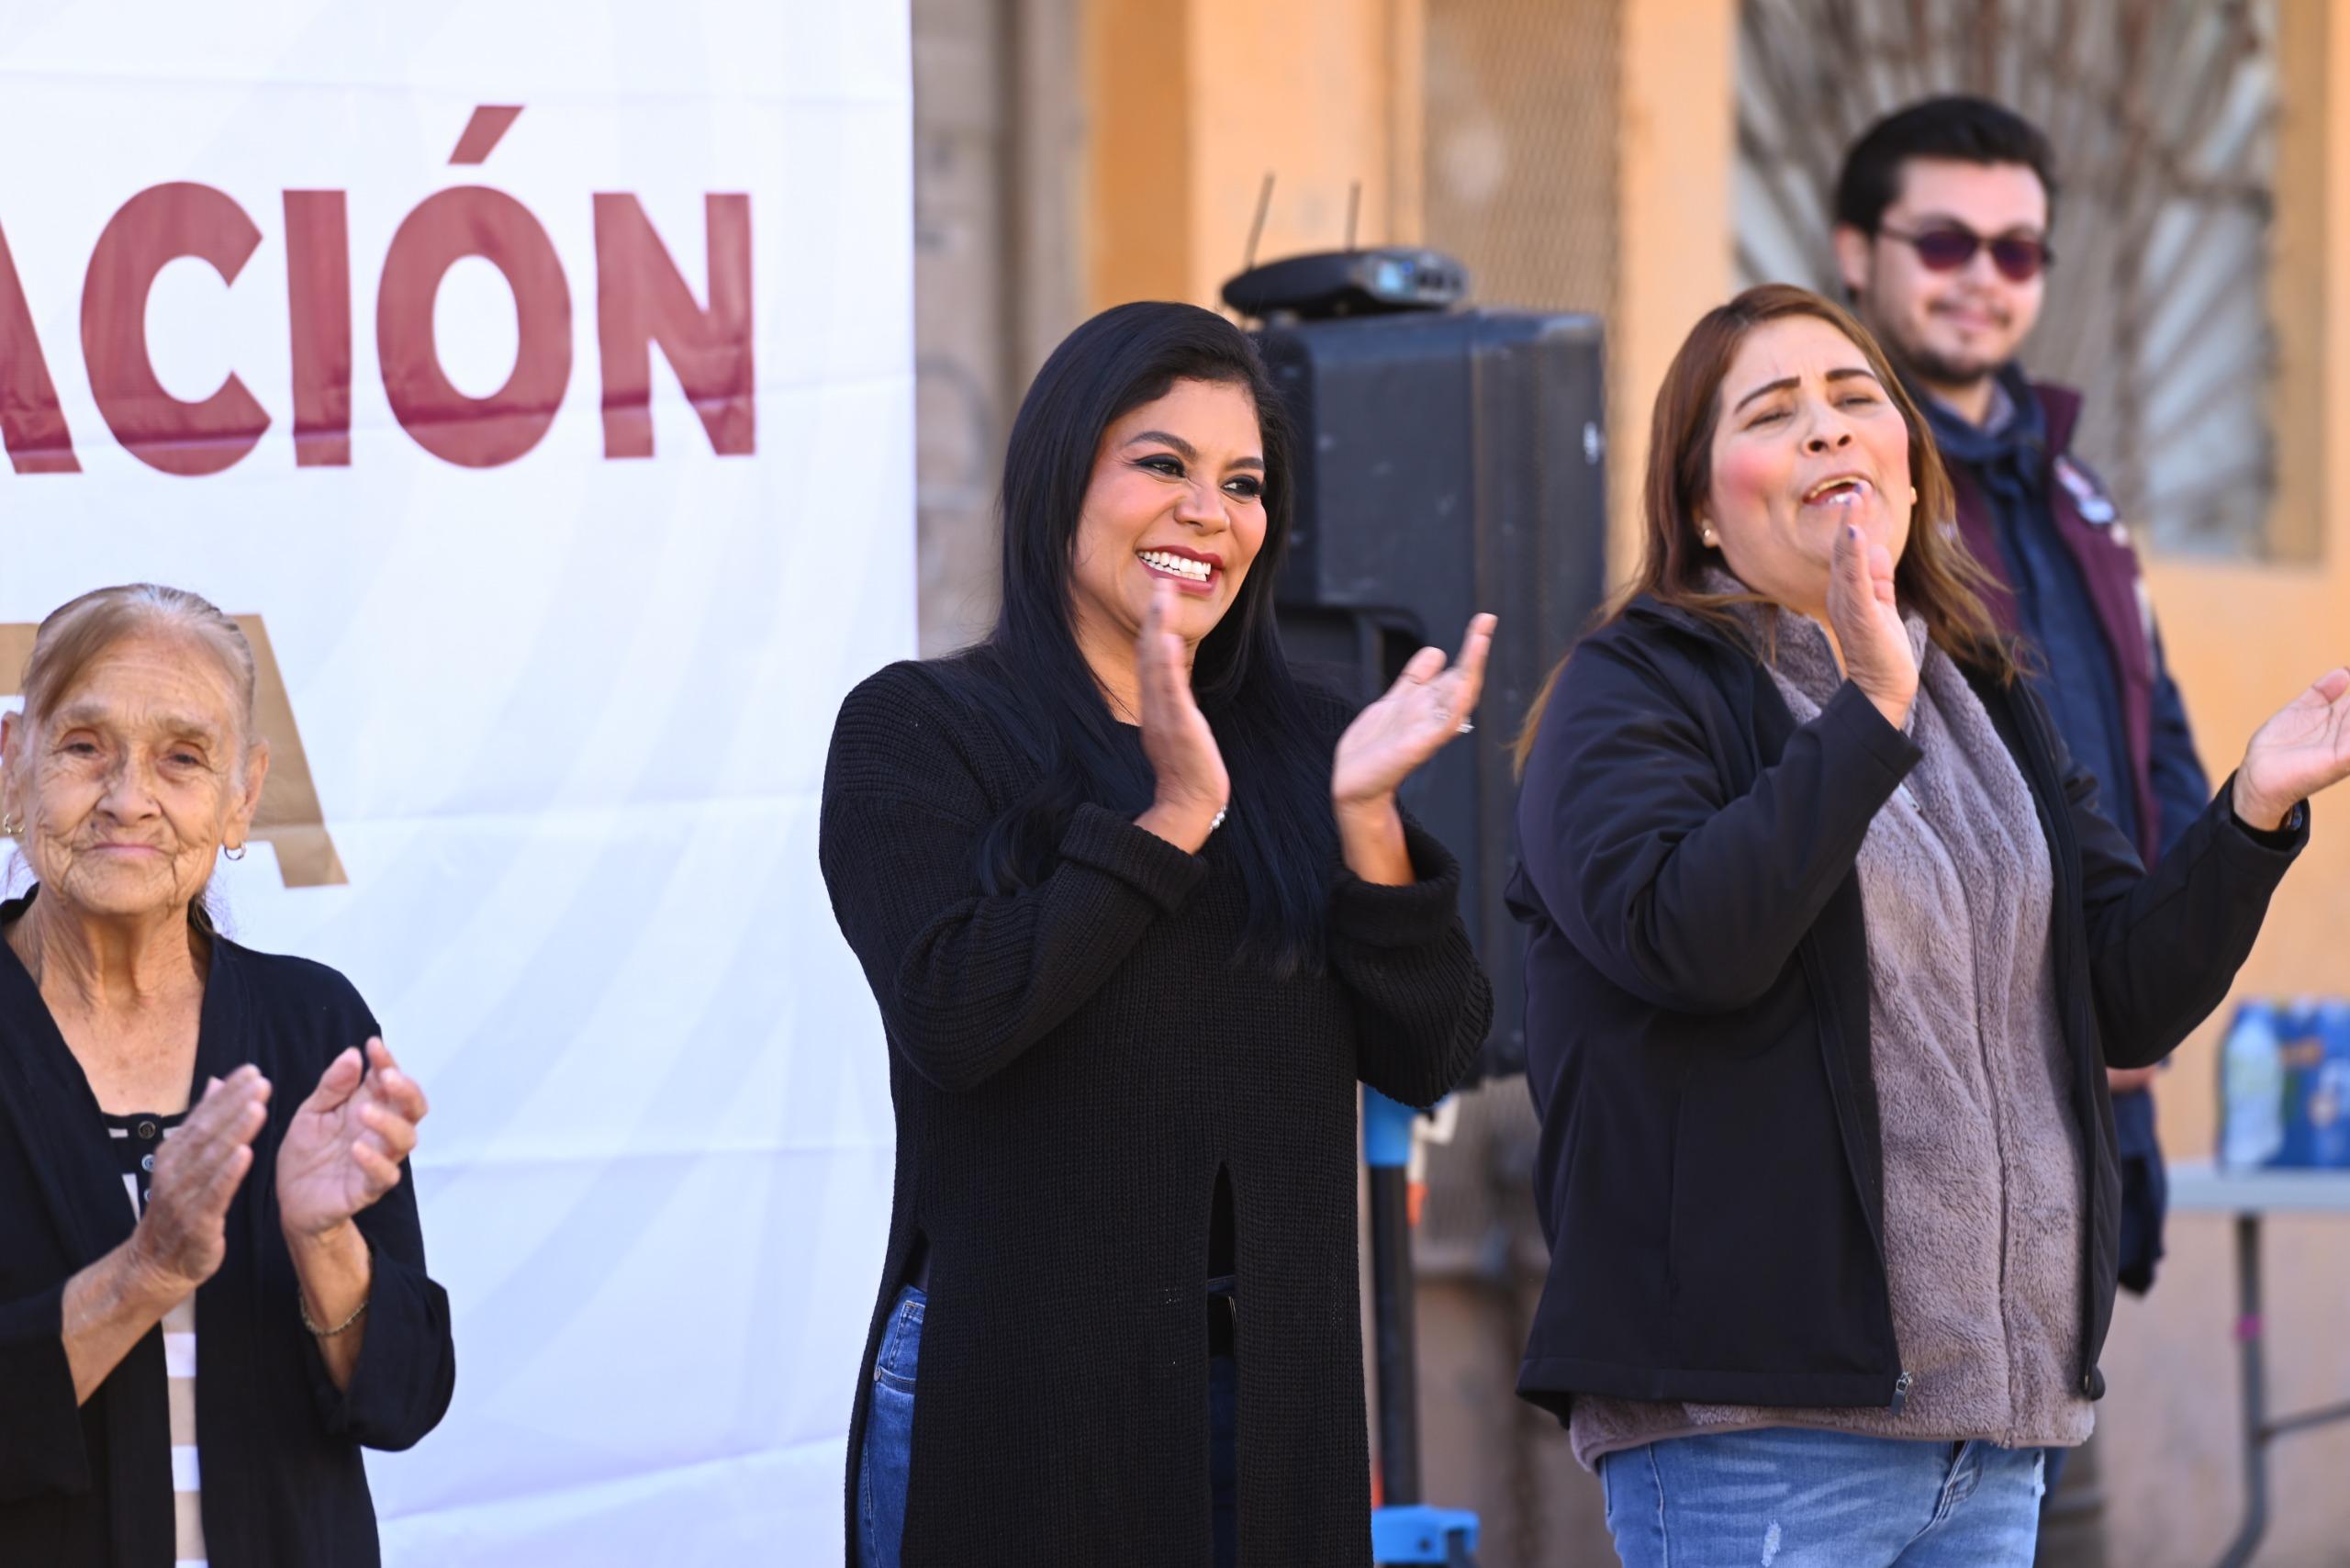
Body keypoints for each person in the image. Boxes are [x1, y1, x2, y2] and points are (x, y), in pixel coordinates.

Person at [1507, 284, 2345, 1567]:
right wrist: (1865, 712)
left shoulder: (1985, 692)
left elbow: (2117, 990)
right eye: (1776, 414)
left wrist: (2251, 814)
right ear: (1699, 510)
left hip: (1990, 1436)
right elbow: (1689, 939)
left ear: (1909, 460)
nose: (1831, 432)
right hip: (1756, 1432)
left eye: (1856, 402)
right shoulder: (1630, 689)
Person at [819, 300, 1494, 1567]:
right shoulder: (919, 730)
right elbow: (961, 1018)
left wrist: (1365, 824)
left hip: (1270, 1408)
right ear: (1061, 479)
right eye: (1162, 464)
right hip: (1019, 1397)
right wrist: (1172, 816)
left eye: (1243, 484)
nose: (1208, 511)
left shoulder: (1309, 744)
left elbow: (1436, 1050)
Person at [1833, 96, 2200, 1317]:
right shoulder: (1835, 481)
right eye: (1942, 243)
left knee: (2059, 1469)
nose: (1981, 278)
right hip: (1935, 1091)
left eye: (2017, 250)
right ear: (1855, 251)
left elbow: (2162, 743)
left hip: (2106, 1065)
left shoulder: (2078, 490)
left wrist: (2167, 948)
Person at [0, 585, 454, 1566]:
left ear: (242, 797)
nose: (129, 797)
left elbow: (405, 1398)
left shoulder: (313, 1026)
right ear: (12, 767)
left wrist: (323, 1237)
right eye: (84, 746)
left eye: (182, 757)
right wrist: (145, 1271)